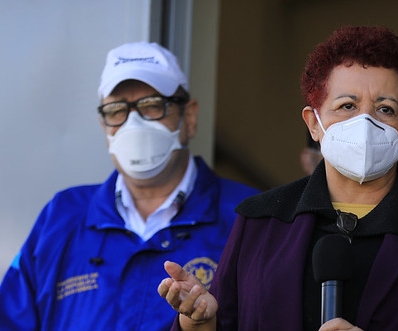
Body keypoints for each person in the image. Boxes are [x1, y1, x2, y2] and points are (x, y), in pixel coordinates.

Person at [158, 26, 398, 331]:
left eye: (385, 109)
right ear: (314, 123)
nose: (365, 123)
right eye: (347, 106)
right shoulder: (261, 220)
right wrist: (199, 325)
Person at [0, 41, 259, 331]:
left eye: (151, 106)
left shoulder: (248, 218)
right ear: (103, 124)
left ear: (189, 117)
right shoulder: (61, 217)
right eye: (116, 110)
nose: (132, 123)